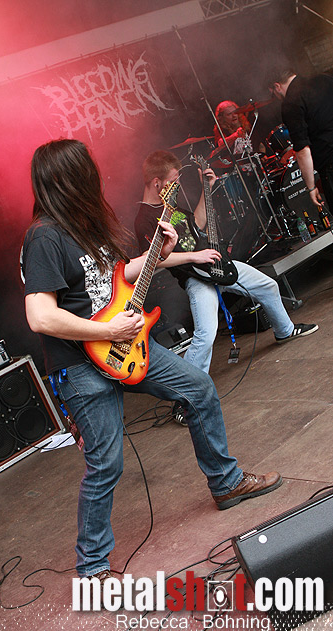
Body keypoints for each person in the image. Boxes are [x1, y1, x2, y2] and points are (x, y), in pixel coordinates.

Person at [22, 138, 282, 581]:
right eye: (88, 170)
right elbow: (40, 316)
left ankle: (226, 483)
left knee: (198, 388)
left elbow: (113, 276)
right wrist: (107, 332)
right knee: (106, 463)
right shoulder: (44, 236)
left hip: (128, 344)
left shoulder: (86, 225)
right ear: (69, 177)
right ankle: (92, 567)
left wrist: (157, 255)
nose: (97, 177)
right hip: (82, 364)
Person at [135, 149, 318, 376]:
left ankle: (285, 331)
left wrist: (207, 189)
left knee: (268, 286)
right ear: (156, 182)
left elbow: (197, 225)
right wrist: (194, 256)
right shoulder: (144, 219)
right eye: (173, 180)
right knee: (206, 335)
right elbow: (151, 260)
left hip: (215, 264)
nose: (178, 184)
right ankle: (190, 388)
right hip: (195, 278)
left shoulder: (170, 204)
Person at [267, 68, 333, 212]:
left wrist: (311, 187)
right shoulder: (323, 78)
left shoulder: (291, 103)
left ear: (277, 86)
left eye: (274, 94)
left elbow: (302, 150)